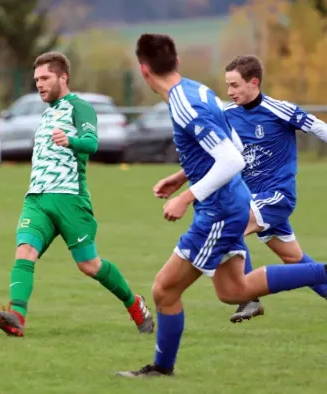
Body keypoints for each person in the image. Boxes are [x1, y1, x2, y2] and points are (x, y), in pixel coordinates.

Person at [116, 33, 327, 378]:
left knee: (165, 290)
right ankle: (321, 272)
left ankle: (161, 368)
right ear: (177, 63)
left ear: (143, 71)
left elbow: (231, 159)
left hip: (221, 208)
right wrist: (181, 178)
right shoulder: (197, 90)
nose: (230, 90)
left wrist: (186, 196)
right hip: (234, 201)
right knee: (234, 290)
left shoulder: (186, 103)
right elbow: (226, 145)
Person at [0, 51, 154, 337]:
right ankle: (16, 317)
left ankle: (134, 303)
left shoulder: (79, 107)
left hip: (70, 198)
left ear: (63, 77)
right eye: (36, 79)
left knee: (89, 265)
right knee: (25, 251)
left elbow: (92, 143)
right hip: (37, 198)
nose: (39, 84)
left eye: (45, 78)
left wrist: (70, 140)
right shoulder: (47, 114)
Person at [221, 55, 327, 322]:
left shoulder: (279, 110)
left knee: (232, 224)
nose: (229, 92)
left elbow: (319, 129)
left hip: (277, 196)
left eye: (234, 85)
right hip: (253, 200)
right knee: (295, 260)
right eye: (227, 85)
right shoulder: (227, 116)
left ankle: (248, 298)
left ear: (253, 82)